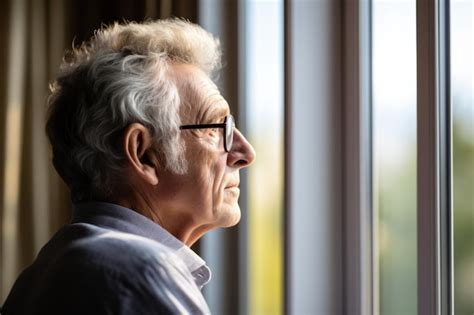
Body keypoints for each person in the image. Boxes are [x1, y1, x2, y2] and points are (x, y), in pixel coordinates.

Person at [1, 19, 255, 315]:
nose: (244, 152)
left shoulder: (39, 275)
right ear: (143, 153)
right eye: (216, 127)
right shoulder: (140, 274)